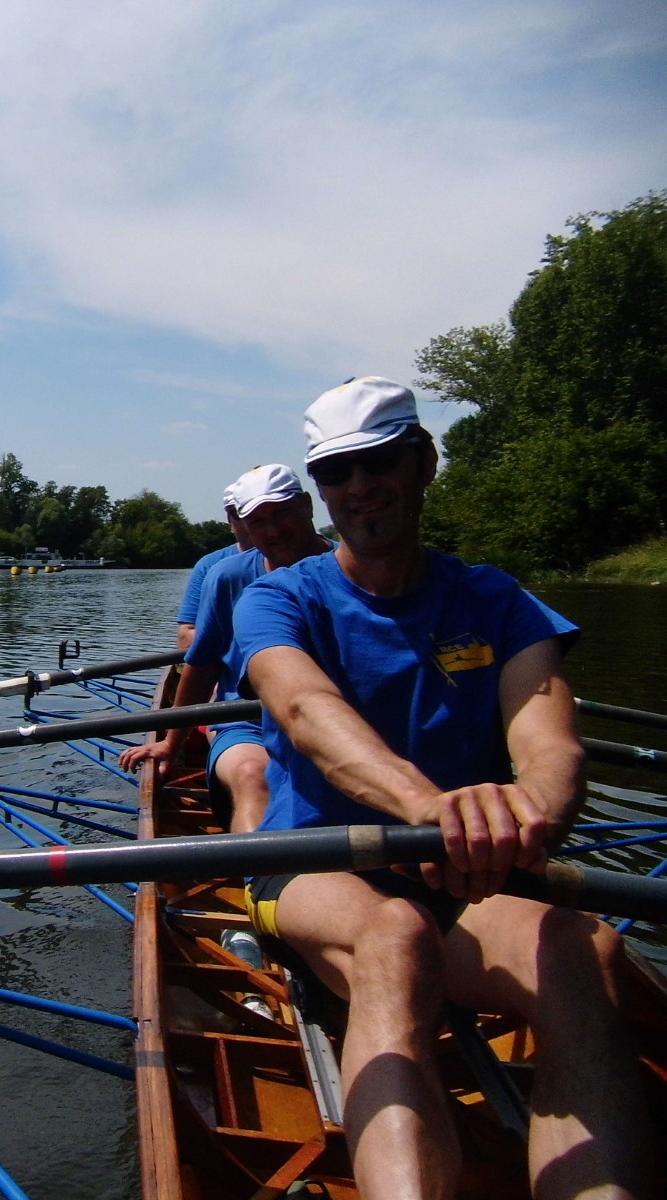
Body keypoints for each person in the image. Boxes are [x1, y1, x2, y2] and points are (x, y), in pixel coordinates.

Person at [233, 376, 652, 1198]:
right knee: (396, 935)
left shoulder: (498, 600)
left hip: (466, 875)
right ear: (322, 490)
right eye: (337, 472)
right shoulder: (278, 598)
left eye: (379, 463)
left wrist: (530, 816)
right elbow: (307, 711)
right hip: (316, 864)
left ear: (423, 464)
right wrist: (430, 807)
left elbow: (549, 743)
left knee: (583, 950)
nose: (359, 487)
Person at [120, 464, 330, 833]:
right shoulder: (227, 575)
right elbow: (202, 667)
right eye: (258, 521)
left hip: (333, 718)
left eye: (282, 514)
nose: (273, 530)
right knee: (252, 776)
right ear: (244, 526)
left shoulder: (353, 567)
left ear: (307, 506)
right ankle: (261, 869)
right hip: (247, 720)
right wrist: (171, 745)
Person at [174, 482, 253, 650]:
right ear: (229, 520)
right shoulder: (209, 565)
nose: (249, 521)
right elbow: (185, 638)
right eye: (238, 513)